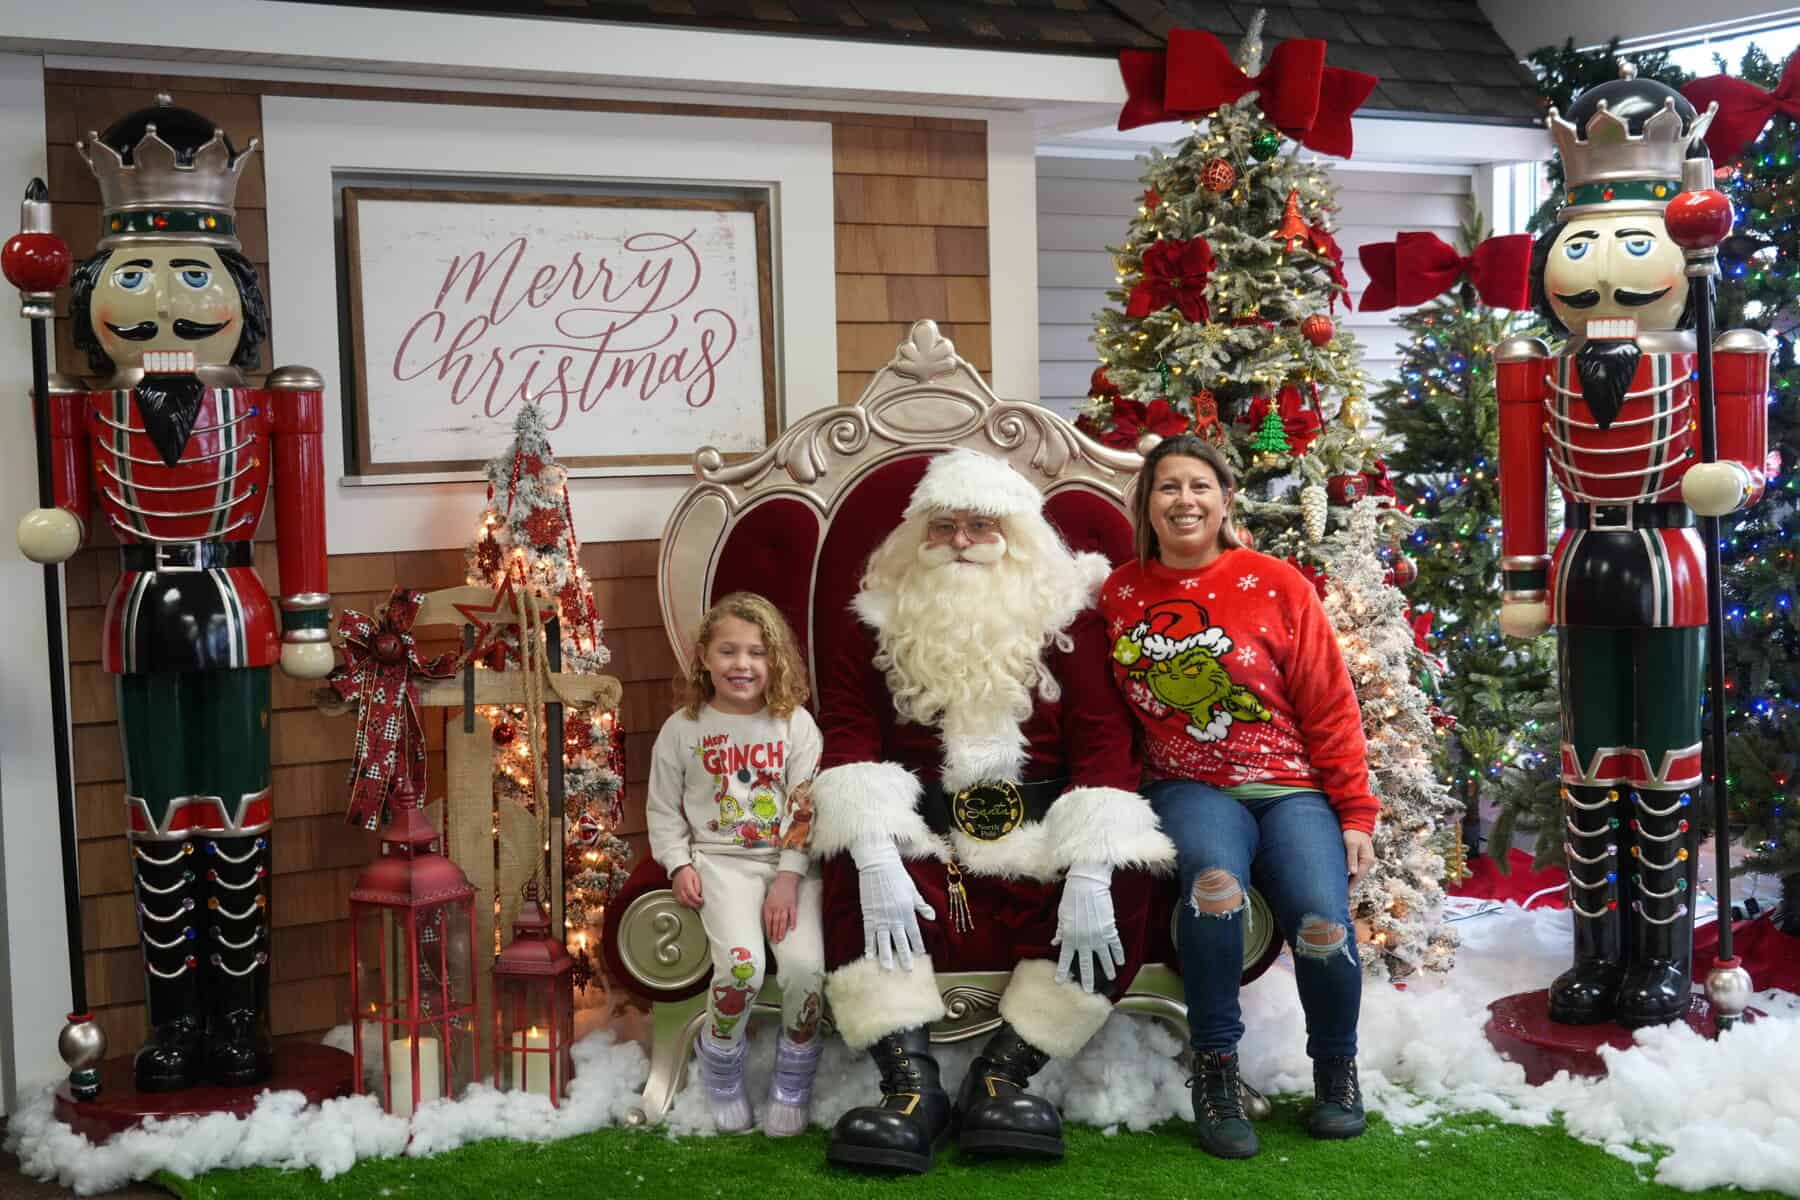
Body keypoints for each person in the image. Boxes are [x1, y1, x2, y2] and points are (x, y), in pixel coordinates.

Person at [16, 96, 332, 1091]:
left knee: (238, 813)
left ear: (238, 294)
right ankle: (174, 1020)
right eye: (135, 275)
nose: (163, 301)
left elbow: (303, 513)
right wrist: (57, 521)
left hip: (236, 609)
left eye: (194, 275)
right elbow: (68, 509)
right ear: (91, 297)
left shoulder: (277, 398)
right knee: (158, 818)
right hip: (141, 613)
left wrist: (309, 615)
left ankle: (240, 1016)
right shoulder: (80, 402)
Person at [810, 448, 1174, 1174]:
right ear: (917, 536)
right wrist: (877, 853)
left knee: (1126, 874)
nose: (961, 542)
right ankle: (911, 1089)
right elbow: (848, 742)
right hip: (927, 840)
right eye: (944, 526)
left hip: (1040, 833)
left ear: (1018, 538)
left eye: (982, 526)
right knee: (856, 861)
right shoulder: (873, 623)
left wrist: (1089, 868)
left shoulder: (1071, 621)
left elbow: (1105, 748)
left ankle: (1003, 1075)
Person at [1496, 69, 1768, 1029]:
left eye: (1633, 241)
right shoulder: (1535, 366)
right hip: (1580, 568)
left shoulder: (1718, 351)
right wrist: (1523, 576)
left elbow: (1750, 465)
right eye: (1583, 244)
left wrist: (1732, 483)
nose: (1605, 270)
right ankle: (1594, 954)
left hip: (1670, 571)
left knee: (1663, 767)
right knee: (1587, 766)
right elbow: (1522, 481)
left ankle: (1661, 958)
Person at [1098, 434, 1375, 1160]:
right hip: (1189, 786)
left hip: (1290, 789)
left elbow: (1330, 705)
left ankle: (1336, 1071)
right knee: (1215, 888)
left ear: (1225, 500)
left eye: (1199, 486)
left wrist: (1354, 812)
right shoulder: (1119, 594)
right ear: (1147, 503)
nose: (1184, 500)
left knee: (1322, 921)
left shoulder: (1278, 584)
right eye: (1168, 487)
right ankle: (1216, 1070)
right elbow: (1102, 714)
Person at [646, 592, 827, 1135]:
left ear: (776, 660)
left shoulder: (795, 725)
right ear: (704, 657)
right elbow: (662, 809)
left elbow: (805, 808)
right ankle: (721, 1065)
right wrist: (678, 864)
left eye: (756, 652)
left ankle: (793, 1081)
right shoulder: (682, 729)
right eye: (728, 651)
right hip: (721, 865)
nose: (742, 664)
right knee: (743, 967)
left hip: (789, 868)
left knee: (804, 971)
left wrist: (789, 878)